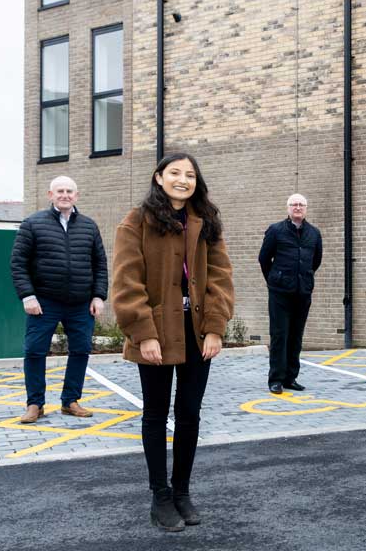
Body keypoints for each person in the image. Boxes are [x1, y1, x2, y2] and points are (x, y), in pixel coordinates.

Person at [112, 153, 235, 531]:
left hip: (196, 330)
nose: (183, 180)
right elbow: (126, 282)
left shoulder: (206, 222)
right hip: (156, 329)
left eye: (190, 175)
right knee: (154, 413)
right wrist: (144, 333)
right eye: (175, 173)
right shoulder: (137, 221)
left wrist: (215, 327)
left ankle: (182, 491)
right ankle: (159, 496)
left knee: (189, 413)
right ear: (159, 177)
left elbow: (220, 278)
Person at [10, 176, 108, 425]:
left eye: (70, 191)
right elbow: (18, 263)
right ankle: (35, 404)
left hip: (81, 303)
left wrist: (98, 295)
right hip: (44, 302)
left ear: (77, 195)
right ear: (50, 194)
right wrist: (28, 296)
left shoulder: (89, 226)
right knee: (34, 351)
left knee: (81, 350)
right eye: (60, 191)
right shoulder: (32, 224)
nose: (65, 195)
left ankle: (70, 401)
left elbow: (100, 264)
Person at [259, 193, 322, 394]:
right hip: (280, 293)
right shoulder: (276, 231)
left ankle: (290, 377)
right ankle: (275, 379)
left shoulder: (314, 233)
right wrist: (274, 279)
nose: (297, 208)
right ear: (288, 208)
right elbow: (264, 259)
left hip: (303, 292)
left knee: (296, 336)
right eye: (294, 204)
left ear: (306, 209)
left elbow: (316, 261)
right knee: (280, 335)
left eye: (301, 205)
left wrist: (303, 277)